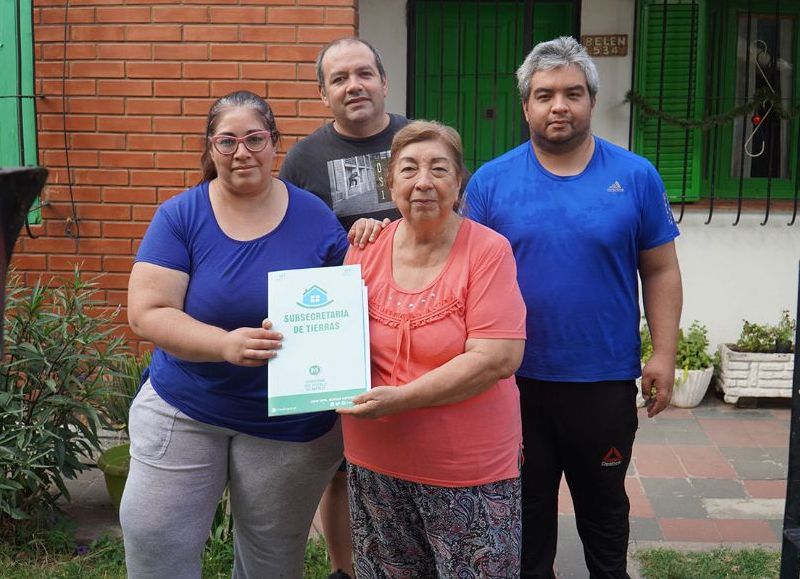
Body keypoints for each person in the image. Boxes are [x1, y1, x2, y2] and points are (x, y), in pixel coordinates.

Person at [464, 37, 683, 579]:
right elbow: (460, 273)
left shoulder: (635, 176)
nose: (558, 105)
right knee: (525, 512)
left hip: (603, 378)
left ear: (591, 100)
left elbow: (660, 269)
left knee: (604, 510)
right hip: (513, 380)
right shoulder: (492, 181)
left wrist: (665, 353)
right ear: (526, 106)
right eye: (544, 95)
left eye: (572, 93)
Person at [122, 90, 349, 578]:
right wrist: (223, 344)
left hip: (288, 423)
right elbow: (146, 312)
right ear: (210, 148)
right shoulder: (181, 215)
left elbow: (344, 313)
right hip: (187, 406)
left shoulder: (316, 217)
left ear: (274, 144)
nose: (241, 152)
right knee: (155, 539)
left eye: (254, 139)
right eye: (227, 141)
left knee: (272, 557)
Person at [337, 120, 527, 577]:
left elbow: (497, 357)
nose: (423, 182)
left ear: (459, 181)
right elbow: (334, 337)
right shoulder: (365, 248)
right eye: (409, 169)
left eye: (439, 169)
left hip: (467, 471)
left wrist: (402, 399)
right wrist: (292, 341)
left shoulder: (487, 251)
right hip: (375, 463)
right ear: (391, 183)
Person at [278, 37, 409, 578]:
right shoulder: (304, 157)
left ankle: (406, 562)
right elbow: (285, 237)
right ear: (323, 93)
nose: (353, 86)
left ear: (383, 80)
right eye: (339, 79)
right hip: (335, 328)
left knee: (407, 455)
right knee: (340, 464)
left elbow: (452, 216)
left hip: (414, 323)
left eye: (363, 74)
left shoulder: (415, 138)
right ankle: (345, 570)